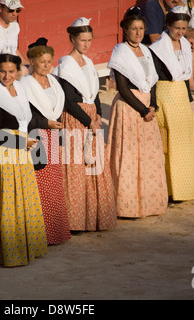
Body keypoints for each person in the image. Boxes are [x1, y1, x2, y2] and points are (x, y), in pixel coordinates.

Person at [0, 53, 47, 267]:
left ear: (18, 72)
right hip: (3, 155)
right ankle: (6, 252)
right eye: (2, 71)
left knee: (20, 201)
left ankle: (22, 247)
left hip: (19, 153)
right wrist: (20, 143)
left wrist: (46, 123)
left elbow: (26, 119)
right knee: (7, 203)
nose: (7, 76)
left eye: (11, 71)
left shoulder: (20, 90)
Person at [52, 17, 117, 232]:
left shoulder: (88, 63)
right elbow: (70, 102)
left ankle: (93, 217)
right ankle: (75, 220)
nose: (87, 44)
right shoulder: (65, 65)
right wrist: (89, 121)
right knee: (76, 168)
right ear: (72, 39)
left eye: (89, 40)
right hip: (76, 120)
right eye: (82, 40)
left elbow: (94, 94)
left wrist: (98, 114)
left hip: (90, 119)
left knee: (93, 167)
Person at [106, 7, 168, 218]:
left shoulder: (147, 51)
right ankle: (127, 205)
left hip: (146, 108)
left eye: (141, 28)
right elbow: (122, 87)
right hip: (130, 108)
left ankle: (149, 203)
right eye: (133, 29)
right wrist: (143, 109)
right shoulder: (120, 51)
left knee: (148, 155)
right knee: (129, 156)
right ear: (125, 30)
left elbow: (153, 80)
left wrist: (153, 106)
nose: (138, 32)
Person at [20, 37, 71, 245]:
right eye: (42, 61)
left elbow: (57, 109)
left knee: (54, 182)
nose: (47, 65)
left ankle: (55, 231)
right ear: (32, 61)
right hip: (36, 136)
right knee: (39, 183)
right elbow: (24, 114)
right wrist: (46, 123)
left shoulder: (54, 82)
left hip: (52, 135)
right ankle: (39, 234)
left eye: (50, 61)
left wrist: (55, 128)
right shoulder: (25, 84)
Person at [149, 10, 194, 202]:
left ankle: (187, 188)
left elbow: (188, 73)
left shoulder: (185, 44)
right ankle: (171, 190)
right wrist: (154, 103)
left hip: (180, 94)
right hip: (165, 93)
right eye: (177, 28)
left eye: (183, 28)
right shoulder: (157, 48)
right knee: (168, 142)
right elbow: (153, 79)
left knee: (185, 141)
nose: (180, 32)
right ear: (168, 26)